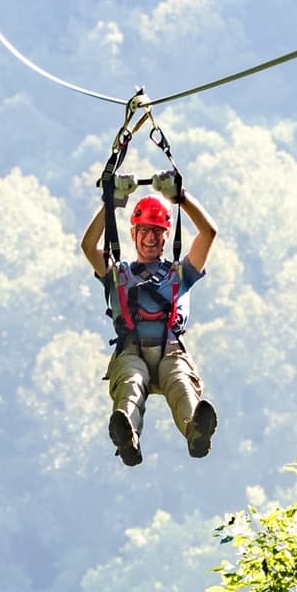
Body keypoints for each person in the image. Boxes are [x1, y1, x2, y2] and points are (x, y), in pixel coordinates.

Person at [79, 175, 218, 465]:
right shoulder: (119, 274)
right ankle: (127, 436)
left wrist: (181, 197)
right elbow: (89, 246)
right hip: (131, 351)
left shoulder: (181, 273)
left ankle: (196, 430)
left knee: (180, 382)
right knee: (131, 381)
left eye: (157, 231)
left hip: (170, 350)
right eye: (144, 231)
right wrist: (112, 202)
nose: (151, 238)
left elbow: (208, 234)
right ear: (133, 234)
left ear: (167, 235)